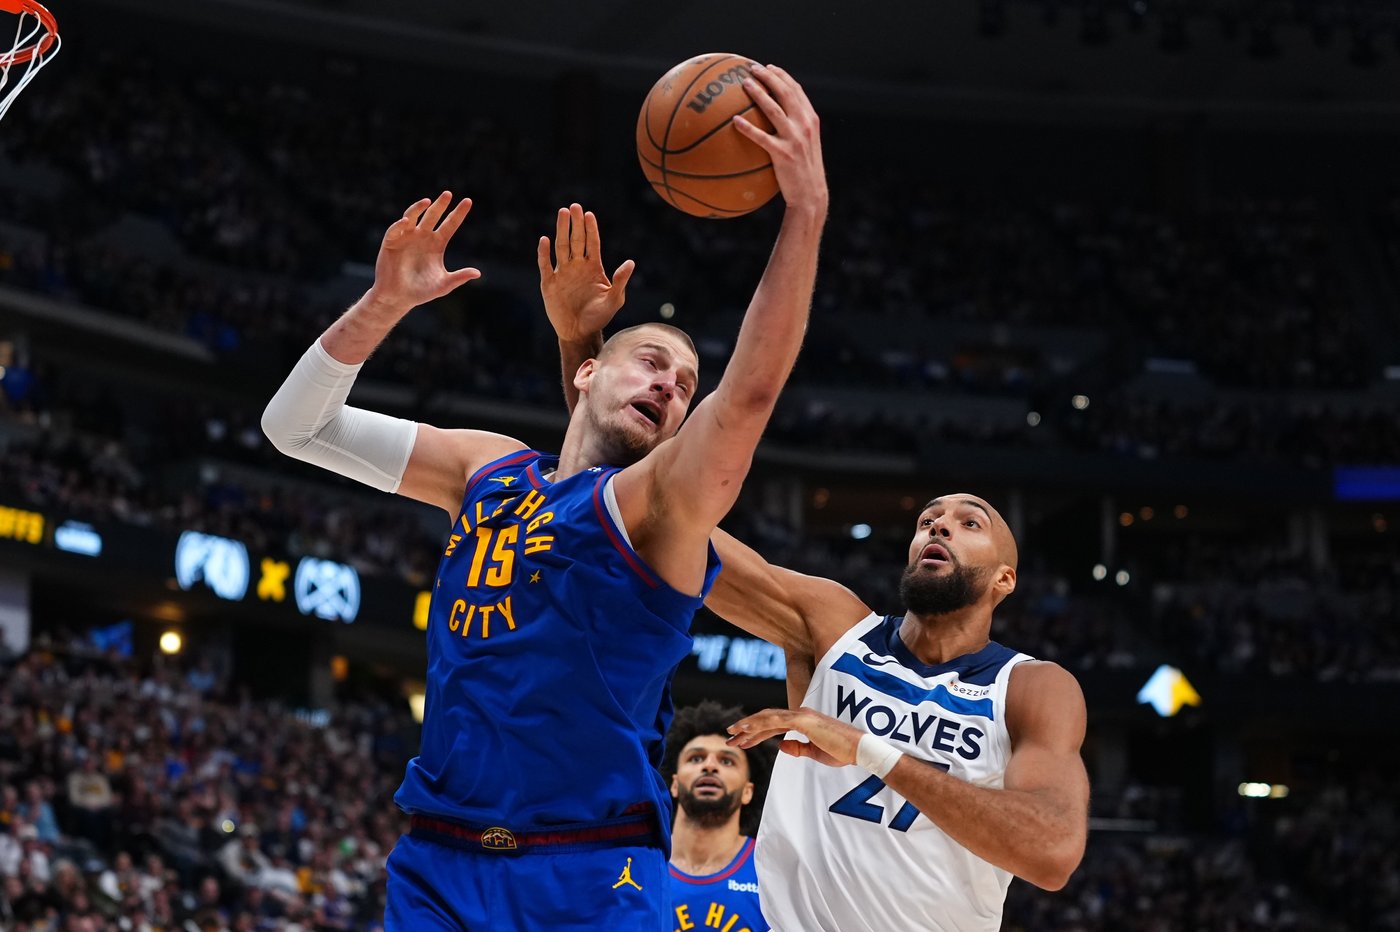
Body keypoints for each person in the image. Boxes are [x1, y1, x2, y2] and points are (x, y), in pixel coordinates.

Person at [262, 62, 826, 930]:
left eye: (684, 383)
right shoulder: (487, 469)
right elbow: (295, 428)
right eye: (652, 361)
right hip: (438, 864)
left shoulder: (657, 509)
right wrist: (383, 304)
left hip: (588, 873)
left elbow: (747, 395)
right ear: (589, 369)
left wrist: (804, 213)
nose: (672, 386)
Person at [718, 497, 1089, 931]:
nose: (939, 527)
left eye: (970, 523)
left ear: (1003, 579)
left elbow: (1052, 852)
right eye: (927, 520)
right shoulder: (837, 628)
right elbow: (683, 537)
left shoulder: (1032, 687)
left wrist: (866, 750)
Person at [663, 702, 775, 932]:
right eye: (696, 758)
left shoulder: (771, 871)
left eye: (727, 761)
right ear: (674, 784)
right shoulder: (638, 864)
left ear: (748, 791)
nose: (709, 766)